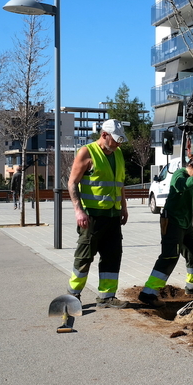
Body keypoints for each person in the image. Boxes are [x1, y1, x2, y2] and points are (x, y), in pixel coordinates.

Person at [66, 119, 129, 309]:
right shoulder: (87, 152)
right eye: (116, 140)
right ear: (104, 135)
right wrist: (78, 211)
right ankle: (73, 295)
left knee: (112, 254)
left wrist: (124, 207)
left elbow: (119, 184)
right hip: (91, 217)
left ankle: (107, 297)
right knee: (84, 256)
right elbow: (72, 183)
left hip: (112, 216)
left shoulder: (118, 154)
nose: (118, 144)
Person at [138, 155, 193, 308]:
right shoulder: (180, 174)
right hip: (172, 222)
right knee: (170, 256)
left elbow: (191, 199)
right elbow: (181, 186)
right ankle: (149, 292)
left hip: (185, 224)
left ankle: (192, 288)